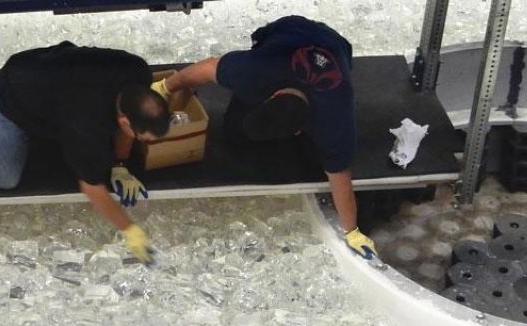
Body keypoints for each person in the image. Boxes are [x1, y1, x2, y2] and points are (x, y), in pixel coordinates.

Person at [152, 15, 377, 259]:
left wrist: (352, 231)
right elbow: (207, 68)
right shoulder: (254, 71)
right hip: (289, 29)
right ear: (270, 97)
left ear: (299, 130)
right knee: (235, 133)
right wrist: (165, 87)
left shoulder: (335, 122)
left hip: (335, 44)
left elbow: (340, 176)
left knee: (318, 160)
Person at [0, 41, 169, 263]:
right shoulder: (85, 125)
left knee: (72, 137)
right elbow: (92, 189)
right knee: (4, 178)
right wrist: (130, 231)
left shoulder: (139, 71)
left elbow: (126, 128)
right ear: (124, 121)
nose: (143, 143)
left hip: (50, 74)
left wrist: (119, 166)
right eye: (142, 138)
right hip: (15, 90)